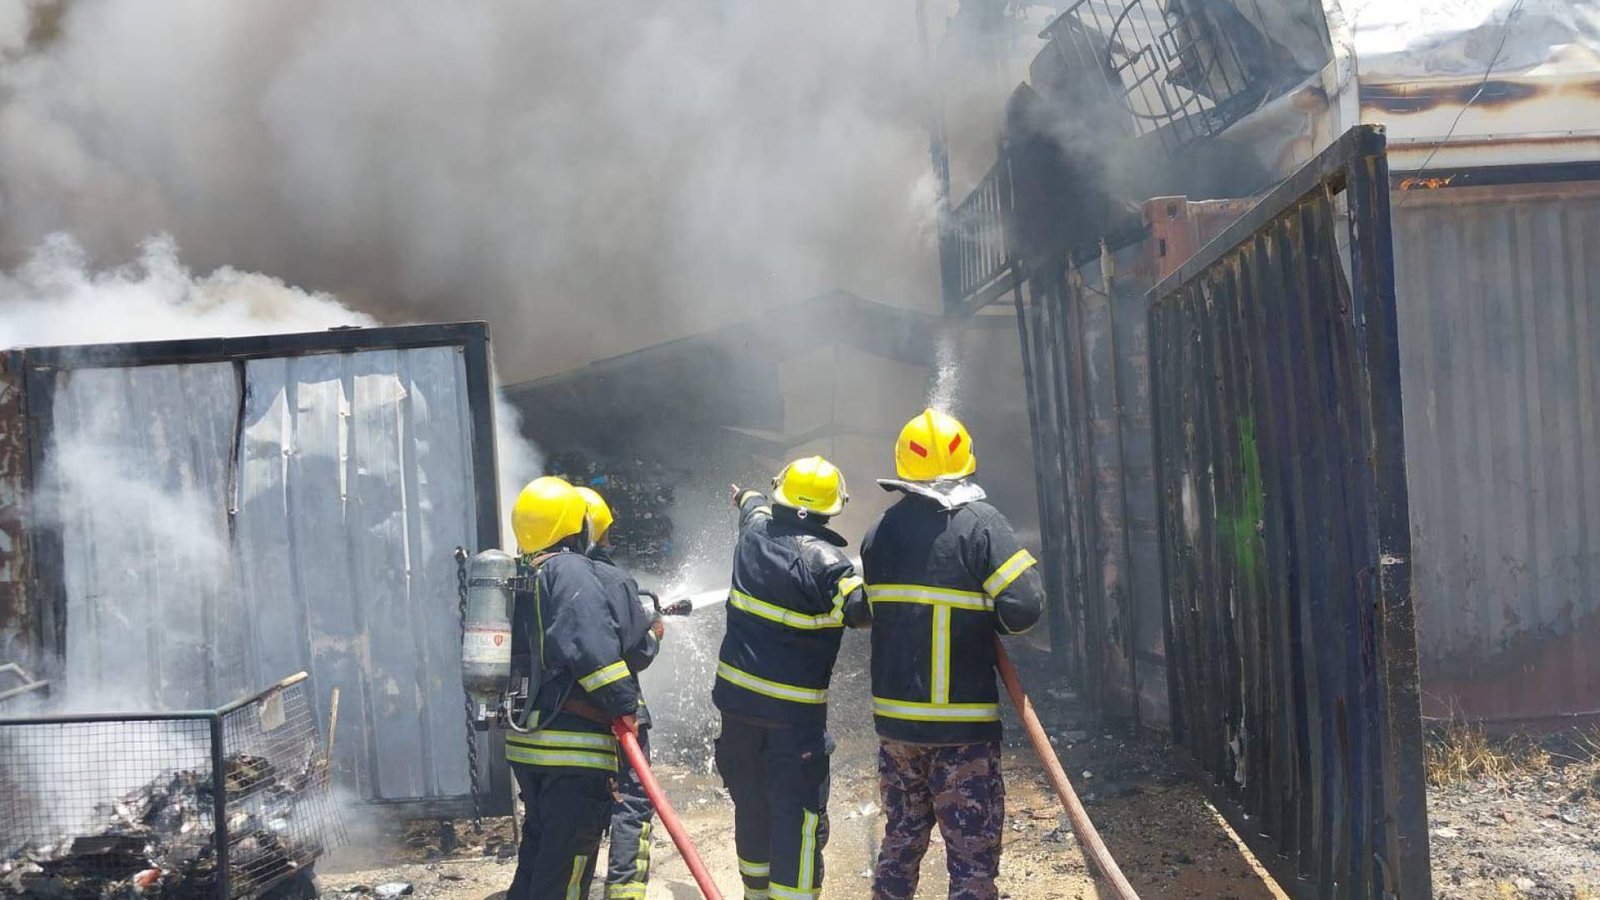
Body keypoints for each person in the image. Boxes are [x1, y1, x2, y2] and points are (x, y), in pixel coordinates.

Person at [859, 409, 1045, 900]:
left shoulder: (878, 532)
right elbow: (1024, 607)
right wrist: (987, 616)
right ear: (966, 461)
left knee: (900, 841)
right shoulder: (980, 525)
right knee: (971, 864)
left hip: (896, 728)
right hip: (961, 732)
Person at [712, 456, 869, 900]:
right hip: (792, 724)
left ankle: (754, 894)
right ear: (831, 508)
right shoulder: (828, 564)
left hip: (738, 713)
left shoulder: (753, 533)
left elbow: (752, 506)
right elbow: (862, 612)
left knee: (752, 807)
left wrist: (745, 495)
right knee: (798, 819)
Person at [504, 476, 649, 900]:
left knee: (539, 852)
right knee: (567, 865)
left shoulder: (526, 571)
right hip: (573, 748)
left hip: (530, 744)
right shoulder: (569, 569)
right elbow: (589, 645)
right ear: (573, 524)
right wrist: (624, 705)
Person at [575, 485, 664, 900]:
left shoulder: (545, 579)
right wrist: (655, 633)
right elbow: (638, 652)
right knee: (632, 800)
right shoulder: (613, 579)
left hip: (566, 719)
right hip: (621, 716)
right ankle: (625, 893)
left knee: (578, 811)